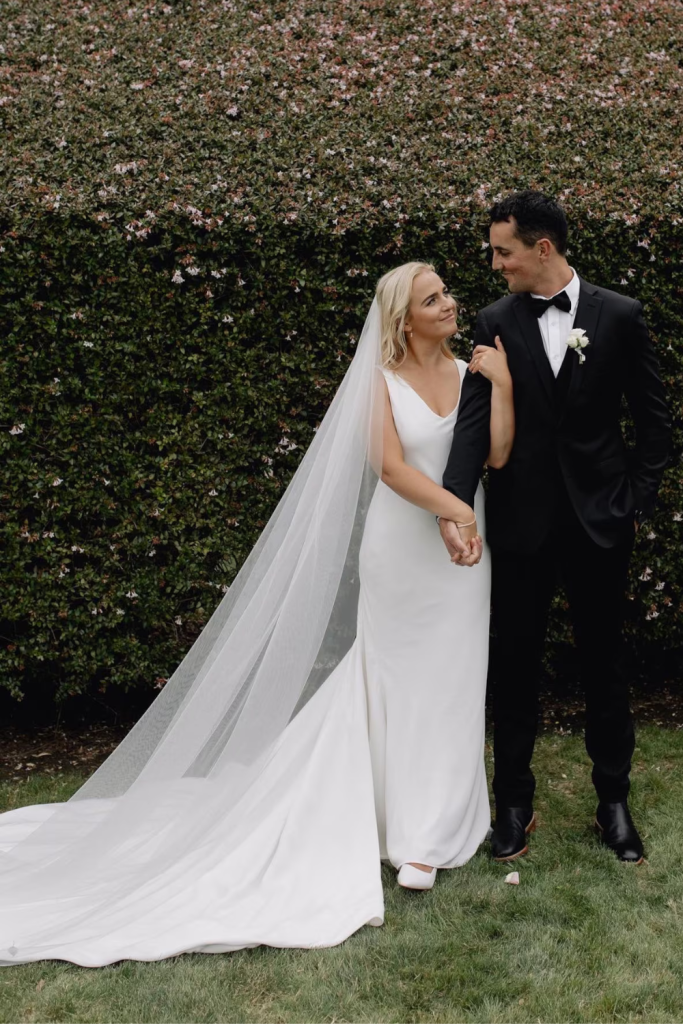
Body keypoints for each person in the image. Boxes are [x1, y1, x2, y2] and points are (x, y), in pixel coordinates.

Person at [0, 262, 514, 967]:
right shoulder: (378, 381)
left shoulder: (470, 371)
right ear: (403, 319)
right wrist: (453, 510)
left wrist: (503, 384)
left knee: (454, 682)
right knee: (395, 680)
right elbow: (390, 469)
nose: (450, 304)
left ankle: (442, 822)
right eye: (433, 300)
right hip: (404, 553)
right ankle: (396, 828)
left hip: (464, 553)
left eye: (445, 294)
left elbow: (495, 452)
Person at [439, 191, 670, 865]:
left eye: (502, 251)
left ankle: (612, 803)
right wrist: (455, 503)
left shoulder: (619, 316)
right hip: (520, 523)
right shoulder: (494, 319)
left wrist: (635, 499)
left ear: (541, 248)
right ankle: (512, 804)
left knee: (604, 663)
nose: (494, 264)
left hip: (601, 521)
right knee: (513, 666)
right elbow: (472, 423)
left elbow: (653, 421)